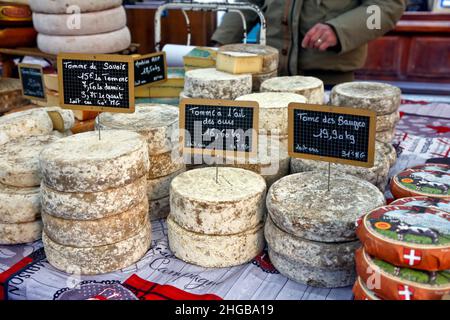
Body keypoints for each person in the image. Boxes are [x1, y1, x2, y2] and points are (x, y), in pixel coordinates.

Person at [212, 0, 406, 85]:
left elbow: (387, 8)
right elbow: (247, 3)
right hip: (270, 76)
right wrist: (222, 42)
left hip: (328, 82)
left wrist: (339, 30)